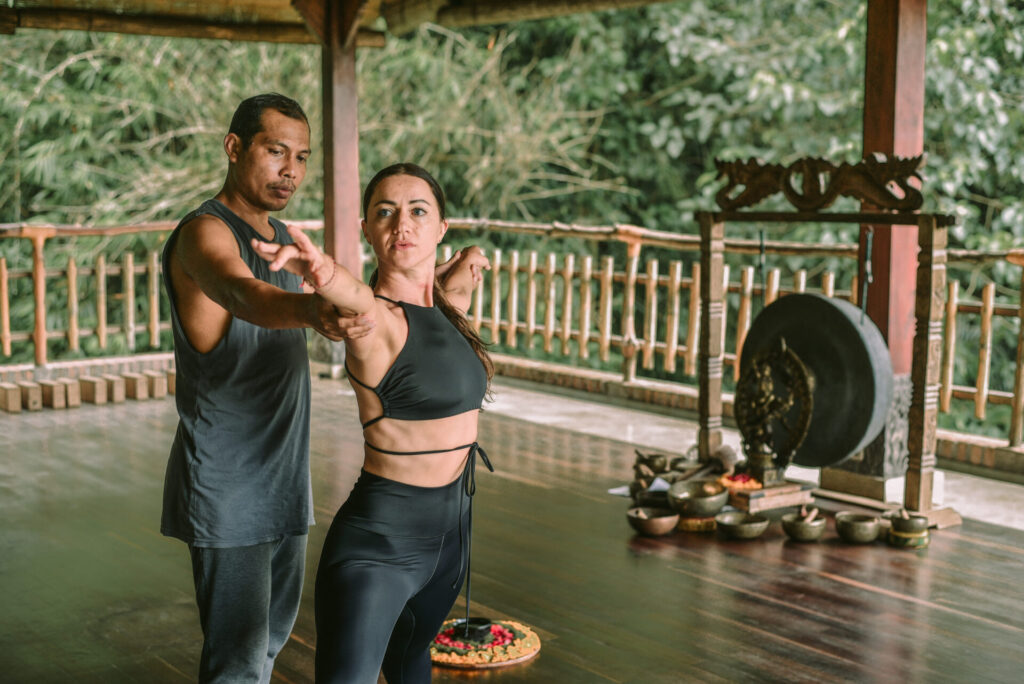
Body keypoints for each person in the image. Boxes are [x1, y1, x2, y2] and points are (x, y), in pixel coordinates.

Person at [161, 92, 380, 683]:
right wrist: (313, 310)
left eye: (303, 157)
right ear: (235, 148)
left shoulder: (284, 236)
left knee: (268, 646)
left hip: (284, 474)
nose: (291, 170)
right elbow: (242, 293)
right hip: (228, 481)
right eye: (276, 151)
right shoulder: (204, 233)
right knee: (237, 658)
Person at [253, 162, 494, 683]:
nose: (401, 225)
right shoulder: (373, 321)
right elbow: (354, 294)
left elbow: (452, 287)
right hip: (378, 549)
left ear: (441, 228)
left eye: (417, 212)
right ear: (367, 231)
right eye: (384, 213)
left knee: (411, 664)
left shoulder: (450, 307)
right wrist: (322, 274)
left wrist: (470, 258)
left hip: (452, 539)